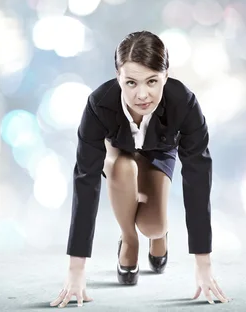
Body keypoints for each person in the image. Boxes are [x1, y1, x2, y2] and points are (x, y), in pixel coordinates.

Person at [50, 31, 230, 307]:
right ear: (118, 77)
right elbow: (86, 179)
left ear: (166, 75)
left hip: (159, 151)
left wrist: (203, 263)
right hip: (119, 151)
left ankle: (158, 234)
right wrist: (76, 270)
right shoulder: (99, 104)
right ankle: (129, 240)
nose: (142, 94)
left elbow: (198, 175)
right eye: (131, 82)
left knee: (153, 225)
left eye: (152, 81)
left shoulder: (184, 102)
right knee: (123, 168)